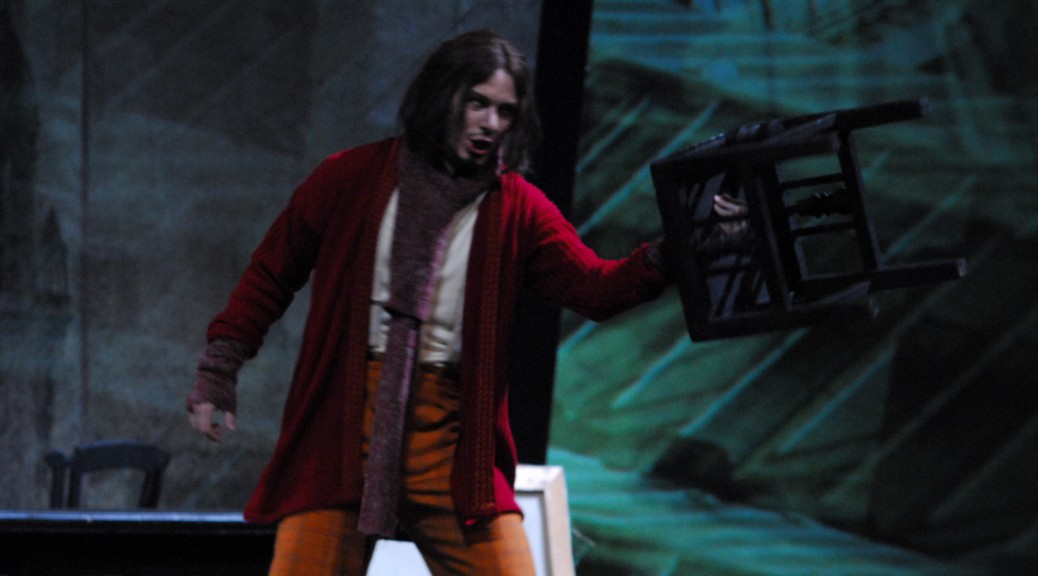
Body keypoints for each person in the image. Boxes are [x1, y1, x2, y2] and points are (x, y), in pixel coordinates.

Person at [186, 29, 669, 575]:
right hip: (345, 433)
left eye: (505, 111)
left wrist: (678, 247)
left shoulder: (517, 209)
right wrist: (218, 369)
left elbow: (597, 288)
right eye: (477, 103)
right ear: (444, 96)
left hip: (450, 444)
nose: (490, 123)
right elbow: (271, 274)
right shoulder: (351, 178)